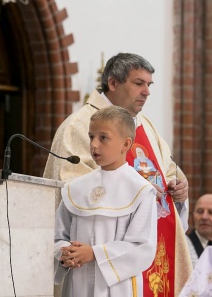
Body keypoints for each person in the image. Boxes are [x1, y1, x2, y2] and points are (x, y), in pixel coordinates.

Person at [44, 52, 192, 296]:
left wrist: (178, 189)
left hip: (149, 251)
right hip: (94, 266)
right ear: (113, 83)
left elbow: (167, 171)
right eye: (138, 83)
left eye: (149, 84)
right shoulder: (79, 126)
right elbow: (71, 196)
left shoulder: (147, 128)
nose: (147, 92)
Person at [54, 106, 158, 296]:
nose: (94, 144)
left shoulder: (141, 190)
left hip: (118, 287)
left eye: (103, 138)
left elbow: (143, 248)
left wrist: (94, 254)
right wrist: (64, 253)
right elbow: (58, 236)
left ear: (125, 144)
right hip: (78, 282)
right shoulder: (74, 189)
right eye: (91, 136)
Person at [185, 194, 212, 268]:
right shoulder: (183, 245)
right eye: (200, 211)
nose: (204, 217)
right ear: (193, 216)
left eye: (211, 212)